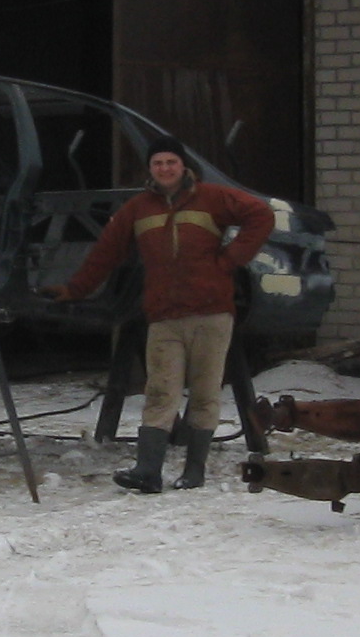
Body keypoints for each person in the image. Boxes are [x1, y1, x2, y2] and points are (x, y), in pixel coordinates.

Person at [53, 136, 275, 492]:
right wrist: (74, 289)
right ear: (150, 169)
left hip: (211, 315)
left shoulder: (213, 197)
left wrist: (230, 260)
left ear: (183, 166)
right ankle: (148, 471)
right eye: (158, 163)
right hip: (164, 318)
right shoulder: (138, 209)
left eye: (171, 162)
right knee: (160, 392)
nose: (165, 169)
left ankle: (194, 470)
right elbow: (106, 251)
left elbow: (261, 214)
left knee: (204, 393)